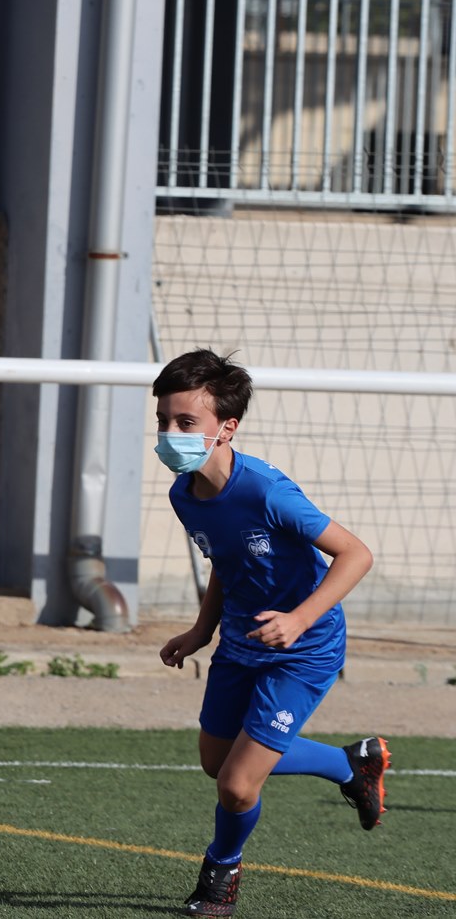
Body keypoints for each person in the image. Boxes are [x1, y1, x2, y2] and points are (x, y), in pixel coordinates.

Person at [152, 349, 387, 917]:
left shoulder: (266, 492)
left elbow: (356, 554)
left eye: (186, 422)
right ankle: (351, 765)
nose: (170, 434)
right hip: (240, 643)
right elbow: (225, 561)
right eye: (163, 421)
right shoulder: (184, 495)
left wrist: (299, 618)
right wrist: (202, 629)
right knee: (216, 762)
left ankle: (220, 875)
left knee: (236, 784)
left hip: (304, 650)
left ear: (226, 428)